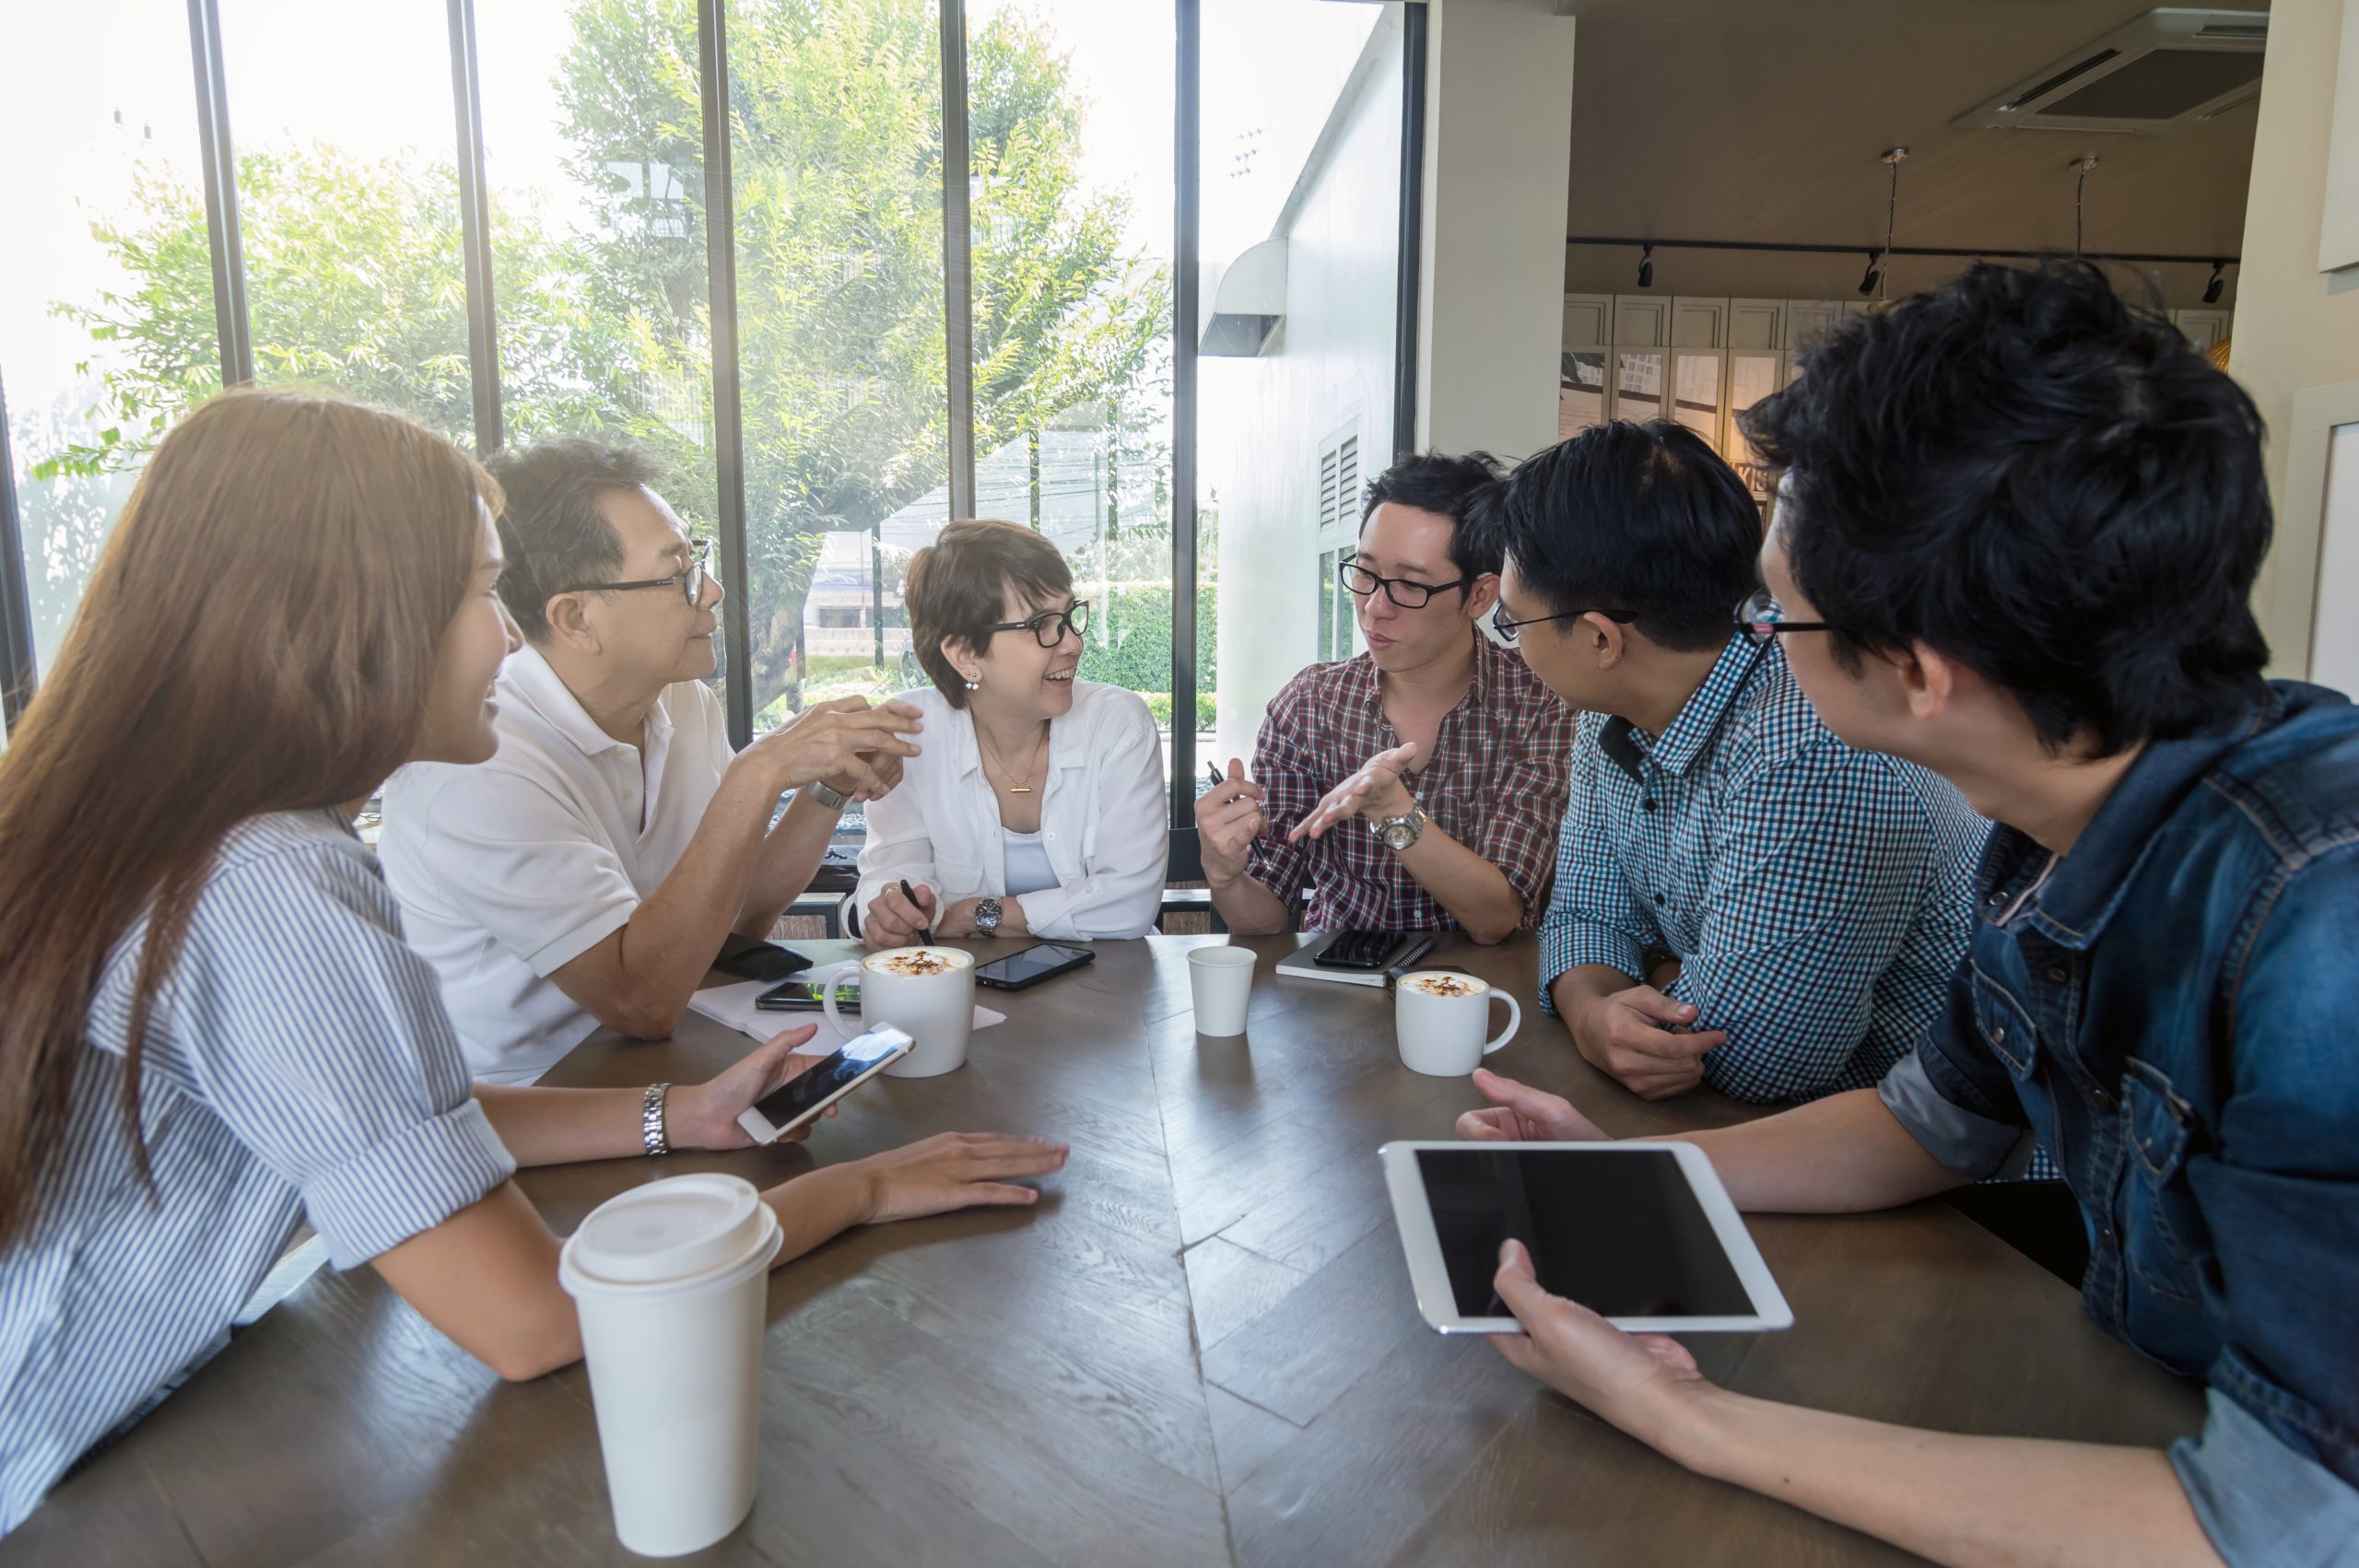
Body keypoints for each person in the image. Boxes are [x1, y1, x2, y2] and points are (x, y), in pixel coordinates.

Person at [0, 392, 1067, 1536]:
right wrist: (859, 1191)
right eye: (476, 593)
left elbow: (397, 1117)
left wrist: (681, 1115)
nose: (506, 639)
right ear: (348, 619)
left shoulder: (203, 837)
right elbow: (537, 1323)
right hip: (75, 1485)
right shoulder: (273, 887)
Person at [1458, 263, 2359, 1565]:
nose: (1754, 639)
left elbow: (2278, 1532)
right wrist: (1633, 1172)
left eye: (1780, 611)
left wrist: (1684, 1412)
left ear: (1919, 670)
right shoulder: (2055, 823)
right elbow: (1927, 1123)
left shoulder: (2322, 927)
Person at [381, 439, 922, 1083]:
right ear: (576, 618)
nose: (712, 591)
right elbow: (640, 1001)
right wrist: (758, 772)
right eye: (677, 575)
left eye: (698, 560)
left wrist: (828, 787)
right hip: (526, 1102)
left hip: (669, 1065)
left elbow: (737, 912)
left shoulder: (682, 702)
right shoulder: (478, 760)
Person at [1491, 421, 1984, 1104]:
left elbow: (1756, 1058)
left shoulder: (1806, 746)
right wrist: (1594, 1012)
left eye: (1513, 623)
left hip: (1929, 1151)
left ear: (1603, 640)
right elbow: (1581, 914)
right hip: (1763, 1127)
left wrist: (1654, 974)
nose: (1513, 646)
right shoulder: (1609, 713)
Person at [1194, 452, 1578, 942]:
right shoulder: (1310, 706)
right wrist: (1225, 875)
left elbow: (1497, 917)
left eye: (1410, 585)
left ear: (1480, 596)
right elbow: (1266, 917)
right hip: (1339, 978)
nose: (1375, 607)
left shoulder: (1541, 704)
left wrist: (1393, 811)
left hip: (1484, 983)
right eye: (1365, 573)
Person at [857, 520, 1168, 945]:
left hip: (1110, 978)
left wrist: (976, 914)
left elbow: (1130, 905)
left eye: (1068, 616)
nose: (1072, 644)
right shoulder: (911, 735)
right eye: (1041, 624)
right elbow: (891, 875)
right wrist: (897, 909)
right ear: (965, 655)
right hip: (961, 978)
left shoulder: (1117, 723)